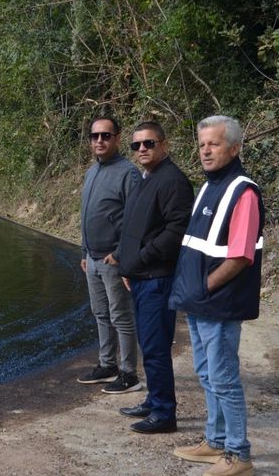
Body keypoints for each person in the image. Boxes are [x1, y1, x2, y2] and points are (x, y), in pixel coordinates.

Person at [169, 116, 264, 476]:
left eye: (214, 144)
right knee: (207, 373)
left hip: (219, 303)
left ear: (235, 148)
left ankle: (239, 456)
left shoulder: (244, 192)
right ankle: (215, 440)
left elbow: (240, 256)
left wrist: (204, 288)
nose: (205, 151)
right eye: (202, 144)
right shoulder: (210, 186)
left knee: (223, 378)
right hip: (199, 302)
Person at [113, 121, 194, 434]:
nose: (142, 149)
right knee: (149, 344)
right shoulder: (147, 178)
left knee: (157, 347)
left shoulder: (172, 180)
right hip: (141, 276)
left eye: (149, 143)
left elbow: (177, 230)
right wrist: (125, 261)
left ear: (164, 145)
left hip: (157, 278)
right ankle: (153, 400)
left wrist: (141, 260)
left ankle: (164, 413)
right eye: (137, 145)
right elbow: (135, 227)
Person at [77, 116, 142, 394]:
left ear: (117, 138)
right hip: (91, 259)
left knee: (121, 316)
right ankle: (108, 365)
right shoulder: (92, 172)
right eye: (95, 136)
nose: (100, 141)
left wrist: (120, 255)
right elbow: (87, 215)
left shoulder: (128, 173)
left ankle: (129, 373)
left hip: (112, 260)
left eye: (105, 135)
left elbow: (135, 220)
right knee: (100, 314)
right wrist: (84, 251)